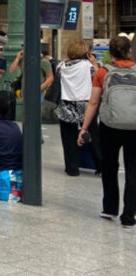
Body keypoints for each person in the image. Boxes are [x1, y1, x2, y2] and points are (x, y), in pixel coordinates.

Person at [79, 36, 135, 228]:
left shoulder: (103, 72)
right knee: (133, 170)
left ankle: (110, 208)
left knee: (109, 167)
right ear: (129, 51)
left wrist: (84, 128)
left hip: (110, 125)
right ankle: (129, 217)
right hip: (134, 127)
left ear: (111, 53)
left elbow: (93, 102)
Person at [55, 40, 100, 176]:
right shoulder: (88, 66)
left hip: (66, 103)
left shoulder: (61, 66)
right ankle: (101, 165)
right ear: (86, 53)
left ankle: (72, 168)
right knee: (92, 135)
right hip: (86, 103)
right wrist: (94, 63)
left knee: (68, 138)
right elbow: (99, 78)